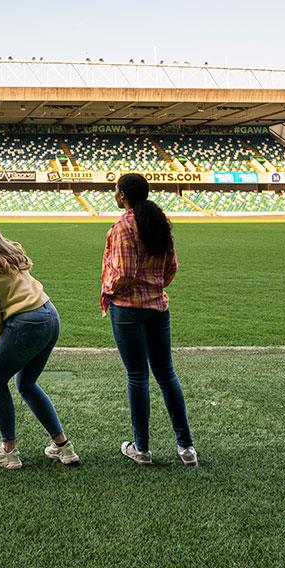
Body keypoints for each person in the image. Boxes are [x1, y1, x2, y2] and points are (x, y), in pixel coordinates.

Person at [0, 209, 78, 469]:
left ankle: (8, 452)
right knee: (27, 383)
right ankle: (64, 447)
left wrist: (6, 337)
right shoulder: (12, 249)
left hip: (24, 324)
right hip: (49, 314)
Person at [103, 173, 197, 466]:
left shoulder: (123, 227)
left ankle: (141, 448)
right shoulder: (158, 222)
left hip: (128, 309)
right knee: (167, 374)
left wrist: (107, 288)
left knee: (137, 376)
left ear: (123, 196)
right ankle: (186, 447)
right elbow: (172, 268)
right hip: (157, 307)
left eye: (117, 191)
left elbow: (124, 274)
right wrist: (155, 285)